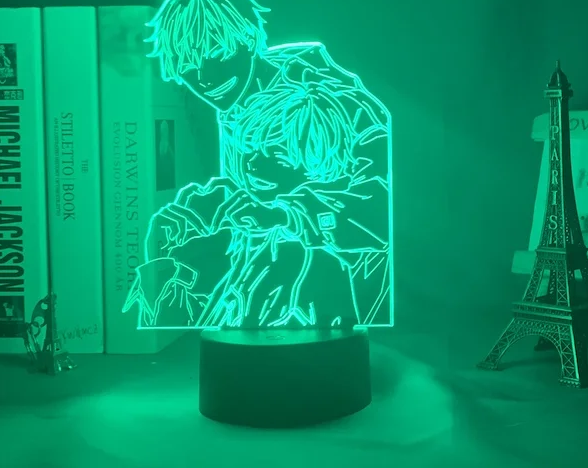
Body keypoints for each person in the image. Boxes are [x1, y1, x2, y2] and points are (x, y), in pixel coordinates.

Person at [143, 0, 392, 325]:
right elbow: (255, 189)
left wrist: (290, 215)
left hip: (345, 293)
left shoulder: (331, 97)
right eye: (188, 67)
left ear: (249, 38)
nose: (205, 78)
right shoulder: (235, 100)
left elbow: (383, 203)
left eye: (217, 53)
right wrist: (197, 212)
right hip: (264, 277)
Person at [124, 77, 389, 330]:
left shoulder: (316, 258)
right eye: (248, 150)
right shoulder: (246, 241)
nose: (252, 164)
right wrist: (161, 260)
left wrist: (281, 216)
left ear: (319, 165)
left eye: (275, 155)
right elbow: (190, 324)